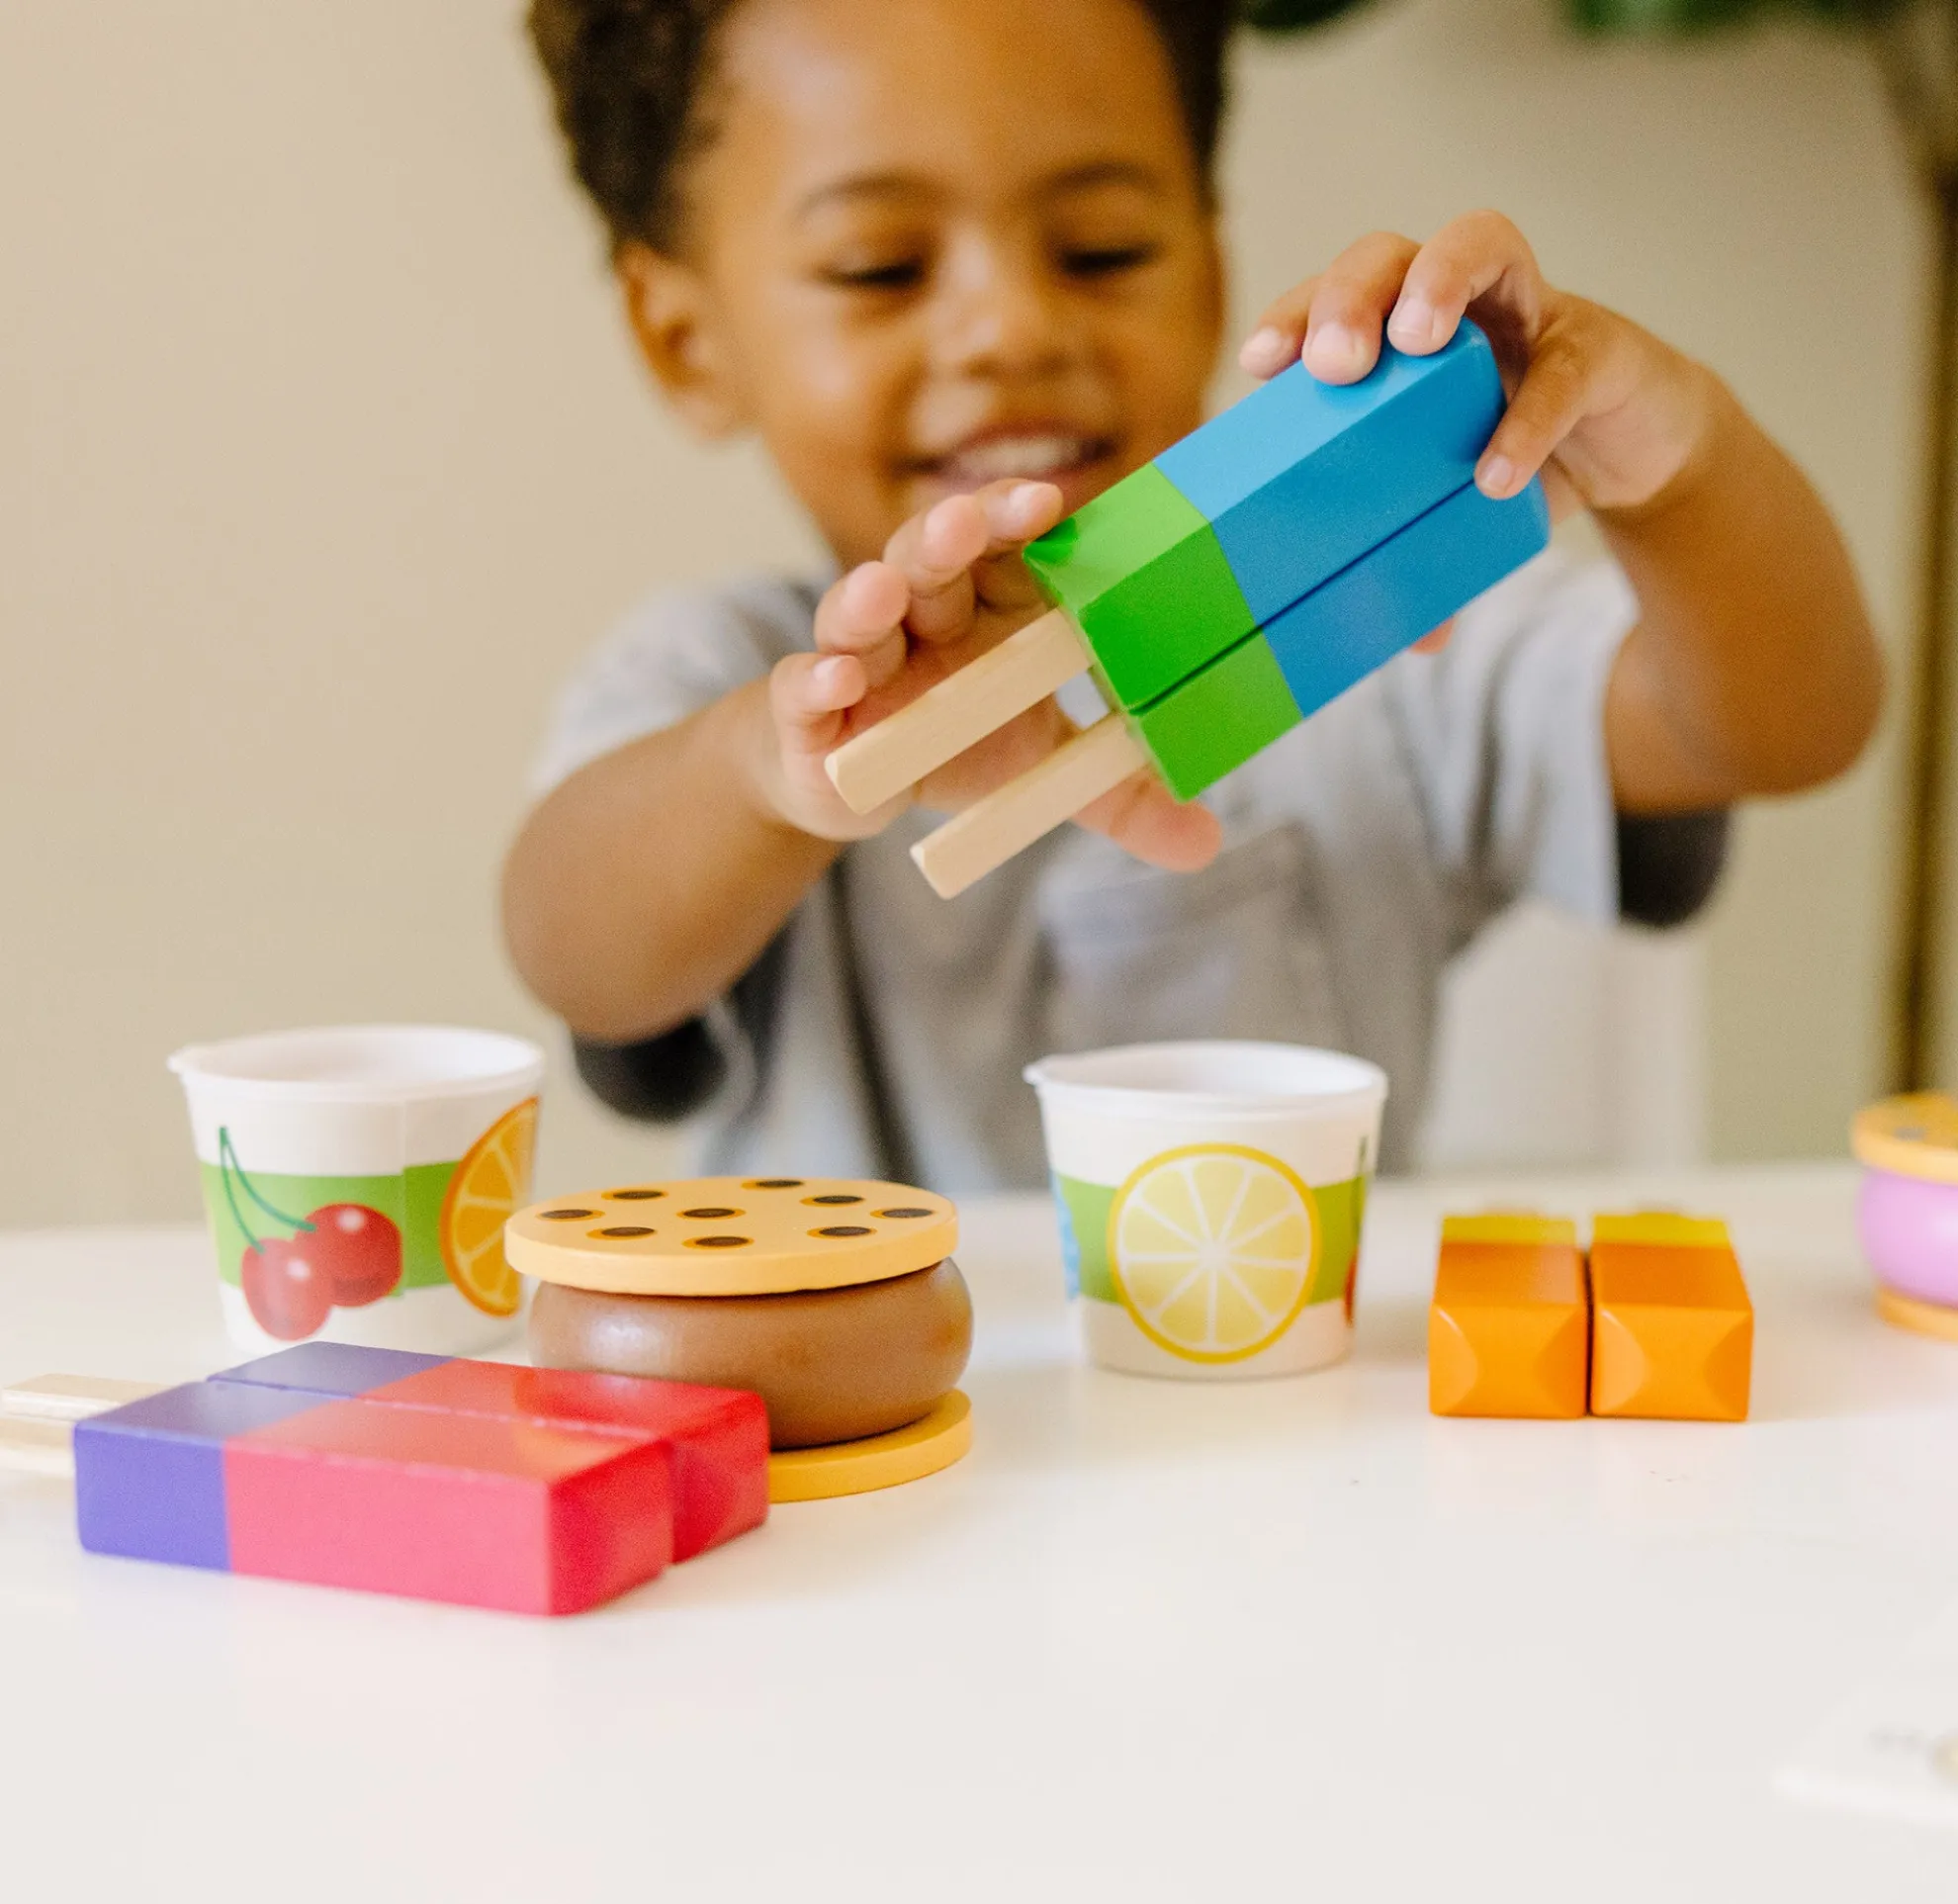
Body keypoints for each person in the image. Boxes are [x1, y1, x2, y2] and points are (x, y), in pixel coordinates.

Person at [505, 0, 1882, 1185]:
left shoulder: (1383, 615)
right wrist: (771, 768)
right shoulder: (721, 672)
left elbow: (1785, 726)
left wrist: (1686, 462)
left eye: (1102, 248)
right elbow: (575, 951)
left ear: (1212, 262)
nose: (1012, 330)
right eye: (881, 268)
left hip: (1306, 1431)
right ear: (685, 339)